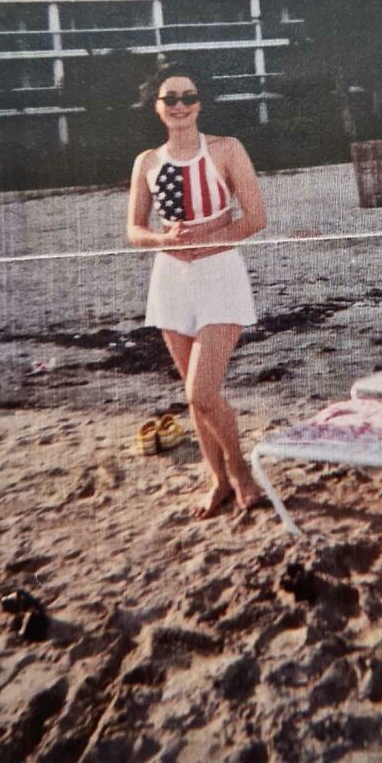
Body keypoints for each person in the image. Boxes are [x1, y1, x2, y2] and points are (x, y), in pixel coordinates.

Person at [127, 63, 266, 518]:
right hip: (170, 280)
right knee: (195, 393)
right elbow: (134, 230)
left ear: (200, 104)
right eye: (171, 99)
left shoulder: (226, 149)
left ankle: (241, 469)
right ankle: (218, 479)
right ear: (157, 108)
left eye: (189, 97)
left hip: (219, 273)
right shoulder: (147, 161)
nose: (181, 105)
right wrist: (161, 241)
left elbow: (254, 218)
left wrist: (207, 240)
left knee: (201, 393)